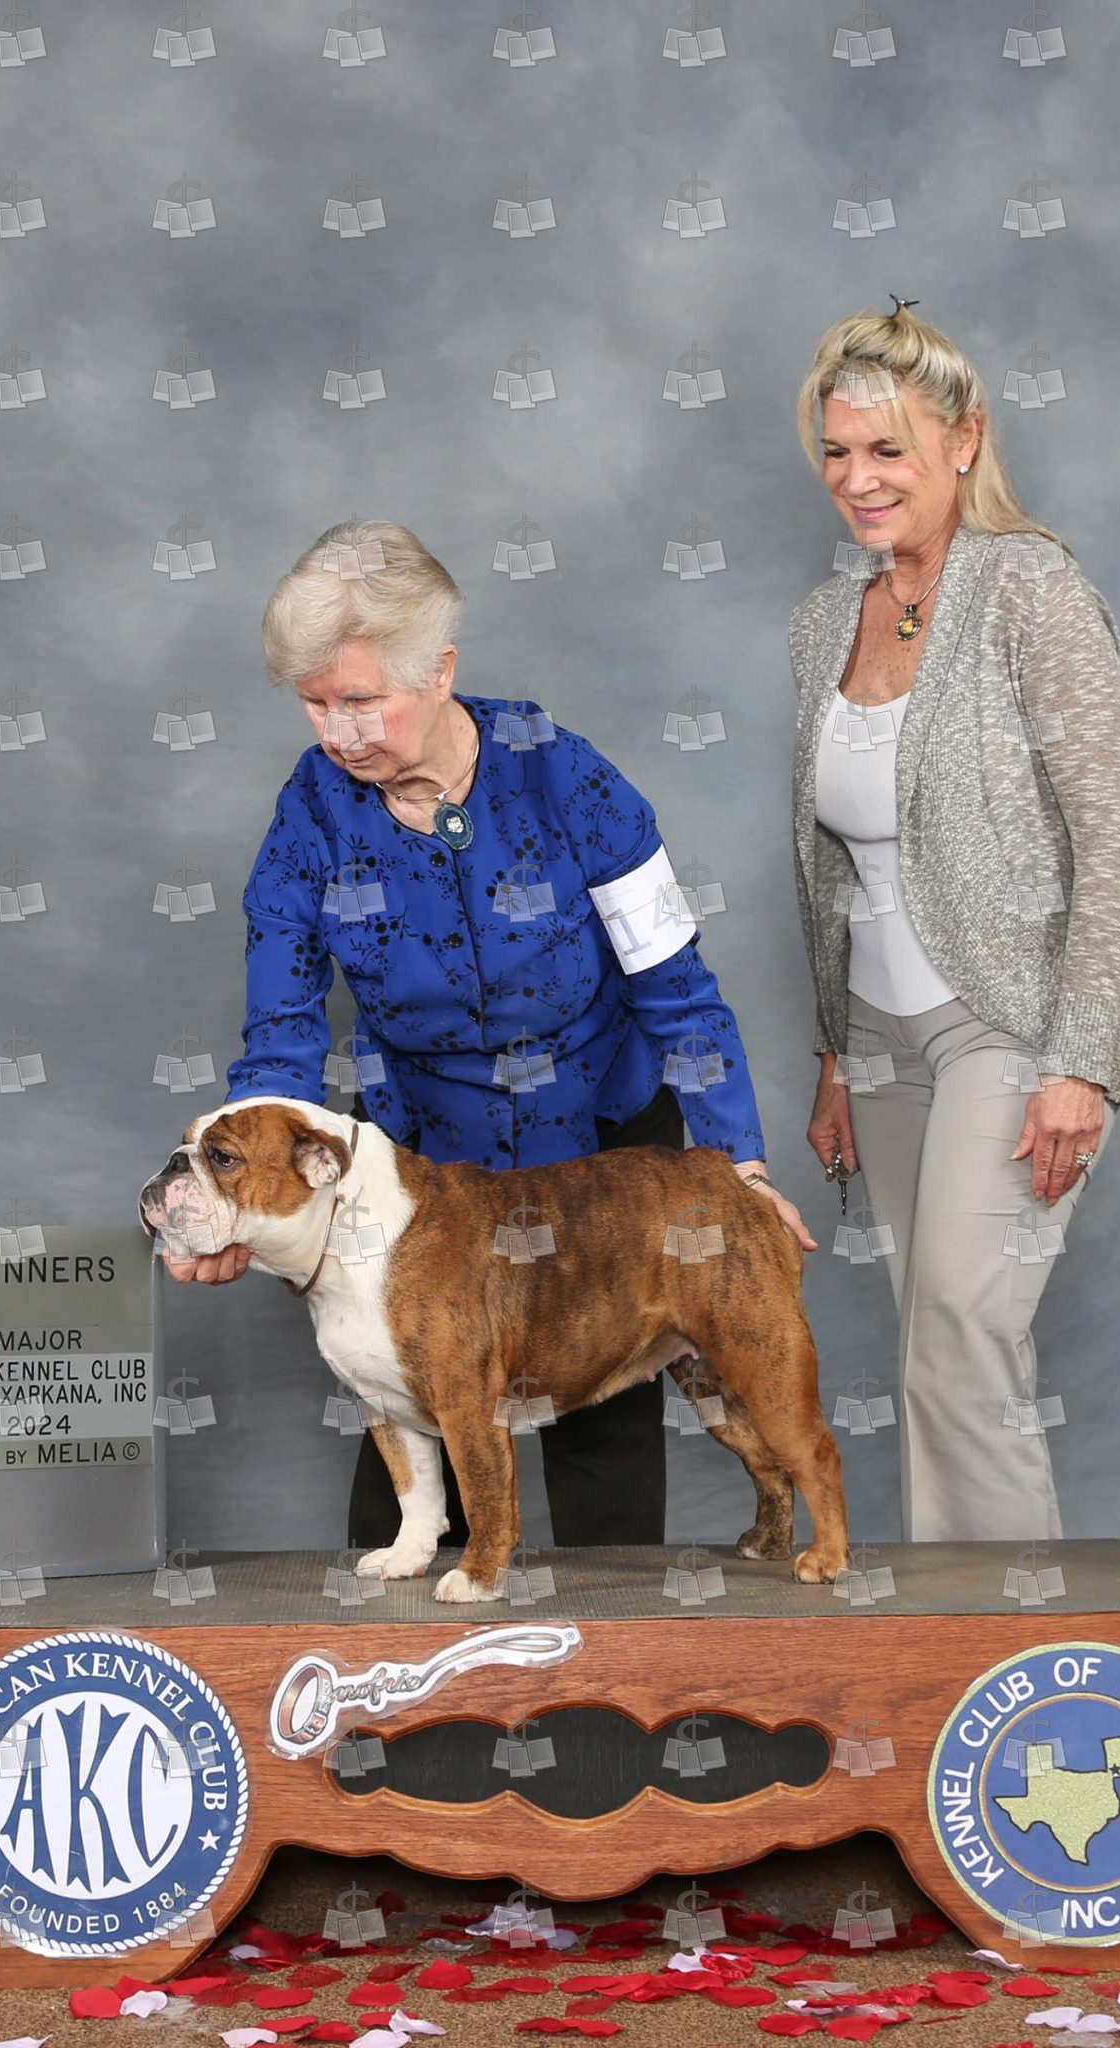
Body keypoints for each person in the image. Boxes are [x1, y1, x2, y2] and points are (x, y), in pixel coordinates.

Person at [164, 518, 814, 1562]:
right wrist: (244, 1188)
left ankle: (616, 1657)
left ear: (441, 670)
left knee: (607, 1460)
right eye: (315, 704)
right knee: (409, 1452)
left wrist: (737, 1163)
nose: (338, 734)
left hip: (600, 1150)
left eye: (360, 700)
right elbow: (281, 1026)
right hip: (426, 1174)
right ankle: (413, 1659)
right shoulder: (310, 813)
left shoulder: (570, 778)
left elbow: (677, 987)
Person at [786, 301, 1120, 1542]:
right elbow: (829, 867)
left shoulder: (1031, 589)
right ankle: (956, 1628)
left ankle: (1013, 1634)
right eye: (838, 452)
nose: (859, 479)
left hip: (1011, 1024)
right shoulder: (820, 624)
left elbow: (1110, 839)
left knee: (960, 1327)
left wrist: (1078, 1059)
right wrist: (835, 1051)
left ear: (962, 439)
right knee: (924, 1340)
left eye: (887, 448)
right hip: (877, 1037)